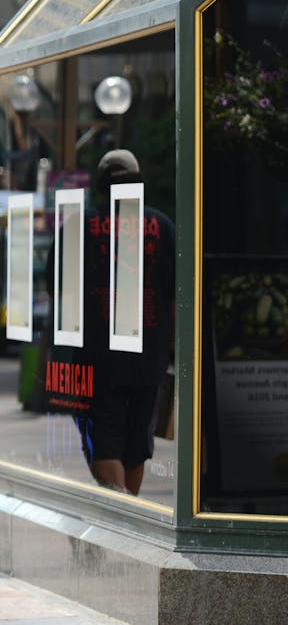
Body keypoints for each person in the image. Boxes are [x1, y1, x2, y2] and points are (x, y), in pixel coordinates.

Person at [72, 149, 175, 494]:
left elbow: (59, 291)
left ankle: (121, 515)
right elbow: (177, 299)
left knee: (102, 441)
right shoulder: (161, 226)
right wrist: (172, 347)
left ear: (102, 185)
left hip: (98, 358)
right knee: (135, 444)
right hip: (148, 356)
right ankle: (127, 511)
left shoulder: (82, 226)